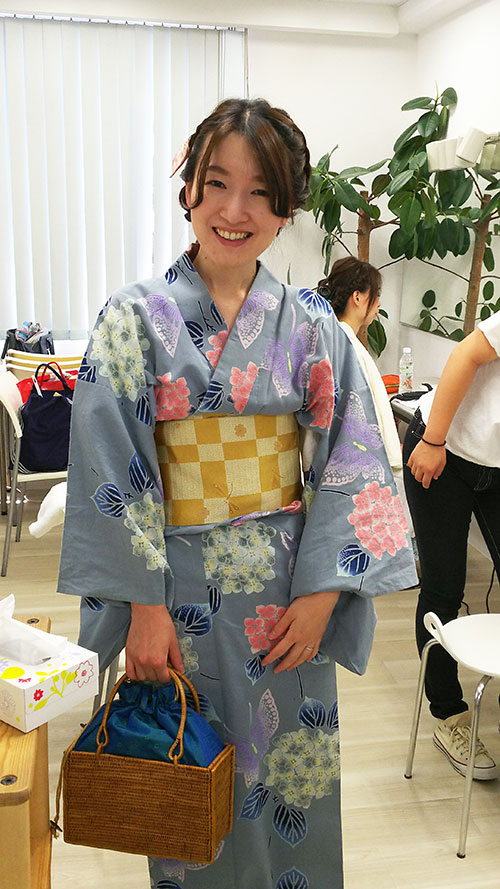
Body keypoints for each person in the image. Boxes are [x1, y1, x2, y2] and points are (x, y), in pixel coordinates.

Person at [59, 98, 416, 889]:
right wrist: (141, 607)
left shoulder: (315, 326)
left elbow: (353, 458)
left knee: (292, 788)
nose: (233, 210)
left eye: (260, 192)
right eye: (216, 183)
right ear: (188, 188)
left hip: (286, 600)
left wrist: (324, 593)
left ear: (286, 209)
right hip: (175, 597)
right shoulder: (132, 319)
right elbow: (110, 468)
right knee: (189, 795)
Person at [403, 313, 500, 781]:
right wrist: (432, 440)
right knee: (444, 588)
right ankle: (449, 717)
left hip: (496, 466)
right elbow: (467, 353)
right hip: (444, 447)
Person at [317, 256, 402, 475]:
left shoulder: (332, 337)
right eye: (376, 294)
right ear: (357, 297)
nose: (379, 303)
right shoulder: (348, 348)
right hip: (354, 464)